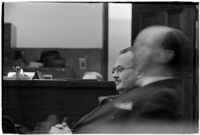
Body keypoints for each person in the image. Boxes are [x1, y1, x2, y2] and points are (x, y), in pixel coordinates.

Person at [50, 26, 193, 133]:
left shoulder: (163, 96)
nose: (137, 51)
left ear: (165, 55)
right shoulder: (140, 90)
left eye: (144, 45)